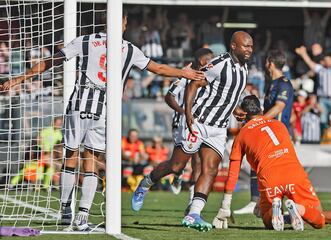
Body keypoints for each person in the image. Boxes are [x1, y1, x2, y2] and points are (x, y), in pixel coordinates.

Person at [0, 12, 204, 231]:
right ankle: (82, 215)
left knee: (70, 155)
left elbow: (50, 62)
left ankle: (66, 210)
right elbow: (160, 69)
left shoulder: (85, 41)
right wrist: (186, 74)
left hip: (79, 104)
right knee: (92, 159)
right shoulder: (129, 49)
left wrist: (18, 79)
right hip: (105, 110)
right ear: (123, 24)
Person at [132, 31, 253, 232]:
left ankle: (193, 214)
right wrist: (187, 113)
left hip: (219, 127)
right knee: (177, 165)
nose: (249, 50)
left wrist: (236, 110)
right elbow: (194, 85)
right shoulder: (220, 64)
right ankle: (146, 183)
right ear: (233, 46)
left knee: (210, 169)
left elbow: (226, 95)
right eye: (245, 46)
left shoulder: (244, 67)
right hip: (199, 122)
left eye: (251, 46)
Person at [213, 95, 331, 230]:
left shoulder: (241, 135)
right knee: (319, 218)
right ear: (262, 110)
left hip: (269, 178)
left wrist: (225, 206)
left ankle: (282, 210)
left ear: (244, 114)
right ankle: (299, 209)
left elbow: (233, 173)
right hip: (293, 173)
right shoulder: (279, 125)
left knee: (268, 222)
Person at [236, 50, 294, 215]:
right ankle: (257, 201)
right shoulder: (273, 83)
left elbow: (279, 107)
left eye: (267, 62)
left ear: (270, 62)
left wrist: (259, 121)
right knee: (257, 164)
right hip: (269, 130)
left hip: (277, 133)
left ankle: (279, 204)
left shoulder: (284, 83)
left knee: (275, 168)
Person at [164, 48, 214, 207]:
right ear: (202, 61)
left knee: (198, 161)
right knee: (179, 163)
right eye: (210, 59)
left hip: (199, 124)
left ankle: (192, 201)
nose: (213, 62)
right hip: (181, 123)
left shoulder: (209, 78)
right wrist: (183, 111)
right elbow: (169, 97)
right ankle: (177, 174)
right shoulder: (186, 76)